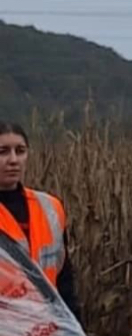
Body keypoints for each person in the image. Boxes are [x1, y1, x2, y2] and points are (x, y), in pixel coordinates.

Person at [0, 122, 81, 319]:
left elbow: (64, 281)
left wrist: (74, 332)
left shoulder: (50, 207)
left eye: (20, 151)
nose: (13, 160)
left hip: (47, 330)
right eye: (3, 152)